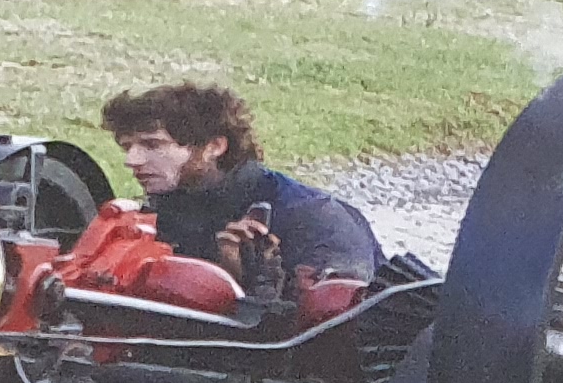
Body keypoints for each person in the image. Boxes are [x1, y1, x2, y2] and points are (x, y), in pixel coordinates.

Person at [97, 80, 382, 294]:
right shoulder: (165, 209)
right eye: (127, 147)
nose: (132, 160)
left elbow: (338, 321)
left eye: (153, 145)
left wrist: (256, 284)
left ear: (214, 146)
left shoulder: (314, 217)